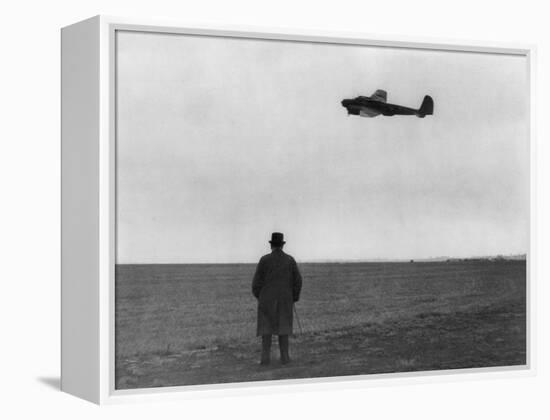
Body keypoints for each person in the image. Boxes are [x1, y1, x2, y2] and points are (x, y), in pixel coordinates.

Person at [252, 232, 302, 365]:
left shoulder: (264, 260)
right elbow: (298, 281)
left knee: (266, 330)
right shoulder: (290, 260)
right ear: (282, 245)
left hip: (266, 300)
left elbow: (256, 284)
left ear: (271, 245)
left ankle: (265, 360)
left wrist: (261, 297)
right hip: (285, 300)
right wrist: (293, 297)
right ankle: (285, 358)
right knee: (283, 329)